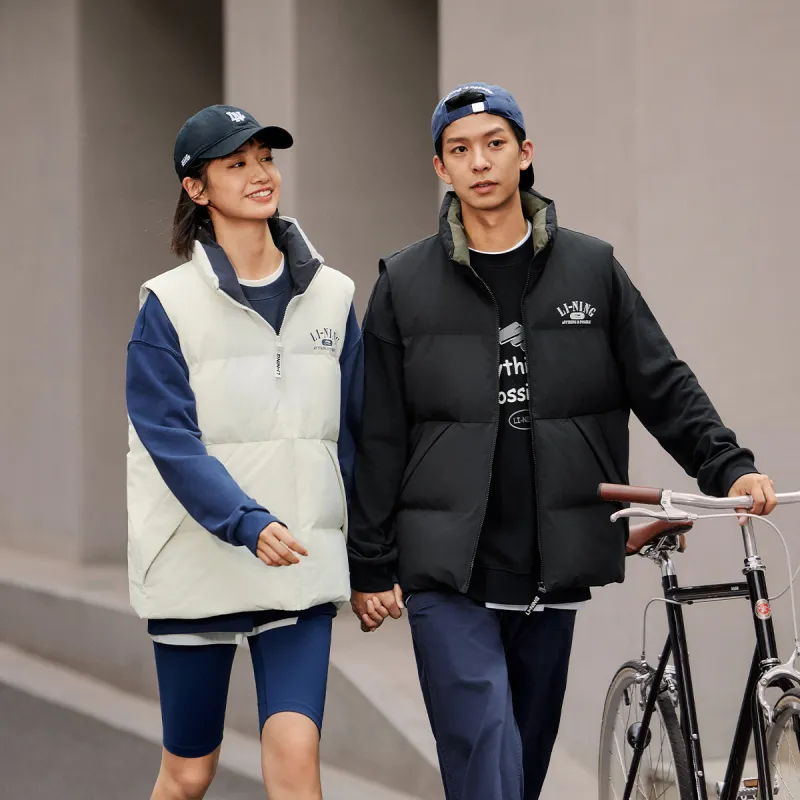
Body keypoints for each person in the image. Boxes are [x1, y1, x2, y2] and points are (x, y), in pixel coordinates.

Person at [347, 82, 776, 800]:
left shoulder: (591, 269)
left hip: (551, 566)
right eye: (460, 150)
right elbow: (379, 430)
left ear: (525, 153)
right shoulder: (405, 282)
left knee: (523, 767)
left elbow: (660, 381)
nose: (480, 162)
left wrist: (726, 465)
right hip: (446, 572)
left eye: (495, 144)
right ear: (441, 168)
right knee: (487, 749)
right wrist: (369, 560)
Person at [126, 104, 362, 800]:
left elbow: (358, 435)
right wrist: (245, 521)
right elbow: (169, 441)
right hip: (196, 564)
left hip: (298, 564)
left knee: (296, 756)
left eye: (265, 158)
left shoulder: (333, 295)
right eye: (237, 164)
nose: (261, 174)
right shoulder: (166, 305)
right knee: (188, 773)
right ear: (196, 188)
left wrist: (371, 552)